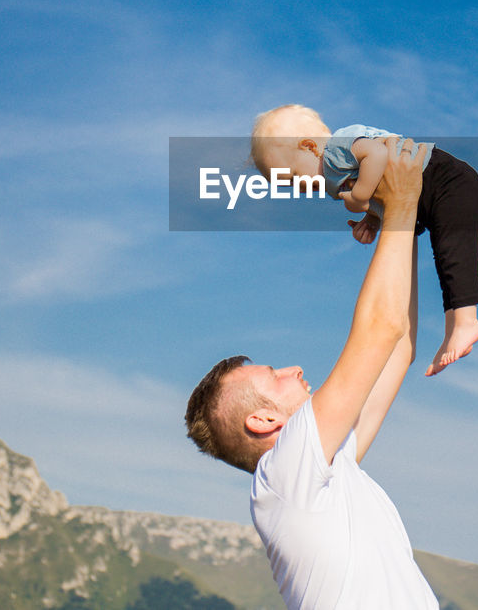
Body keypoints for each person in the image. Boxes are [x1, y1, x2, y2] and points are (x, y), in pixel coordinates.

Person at [185, 136, 439, 609]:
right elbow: (380, 330)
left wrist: (398, 225)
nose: (294, 368)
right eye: (272, 374)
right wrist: (402, 202)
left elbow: (398, 345)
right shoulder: (284, 470)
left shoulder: (324, 467)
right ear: (262, 421)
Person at [250, 104, 478, 376]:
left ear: (307, 146)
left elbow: (376, 154)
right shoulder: (335, 176)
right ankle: (453, 328)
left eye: (293, 176)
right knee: (444, 259)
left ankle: (467, 322)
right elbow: (381, 191)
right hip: (429, 197)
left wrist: (360, 196)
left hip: (446, 181)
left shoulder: (337, 148)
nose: (298, 187)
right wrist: (372, 220)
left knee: (454, 254)